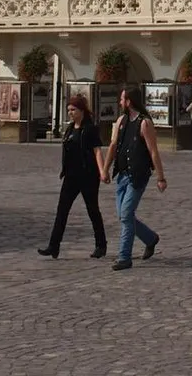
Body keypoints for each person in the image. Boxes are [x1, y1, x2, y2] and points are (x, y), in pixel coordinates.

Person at [99, 86, 166, 270]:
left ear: (129, 101)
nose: (120, 102)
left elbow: (153, 151)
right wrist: (104, 170)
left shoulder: (144, 123)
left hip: (137, 176)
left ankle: (124, 257)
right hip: (122, 175)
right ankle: (150, 238)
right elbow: (113, 146)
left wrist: (161, 178)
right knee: (123, 216)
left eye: (122, 99)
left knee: (126, 214)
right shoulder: (121, 120)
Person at [40, 94, 107, 258]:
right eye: (68, 109)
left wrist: (102, 171)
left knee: (92, 210)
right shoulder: (70, 128)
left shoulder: (90, 128)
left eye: (73, 109)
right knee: (62, 211)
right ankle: (53, 246)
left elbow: (97, 150)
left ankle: (101, 245)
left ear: (82, 111)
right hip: (71, 176)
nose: (70, 112)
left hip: (88, 176)